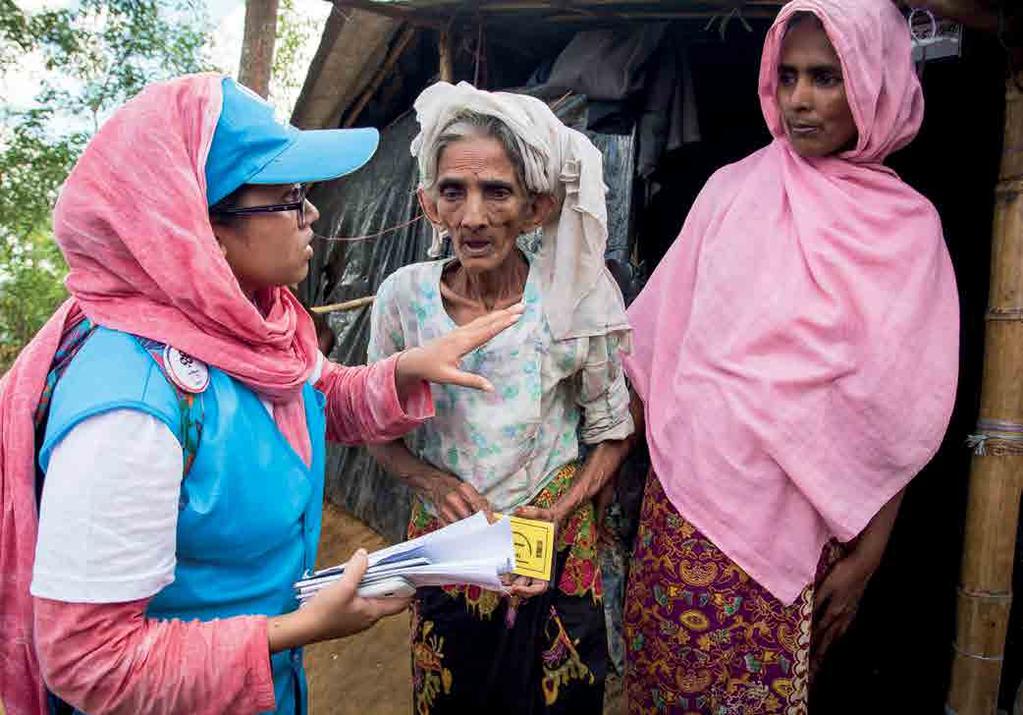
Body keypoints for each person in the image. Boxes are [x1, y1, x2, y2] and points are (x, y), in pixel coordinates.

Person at [0, 74, 522, 715]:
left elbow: (310, 400)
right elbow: (91, 664)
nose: (313, 216)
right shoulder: (128, 413)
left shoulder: (245, 330)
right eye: (289, 197)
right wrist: (299, 629)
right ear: (200, 227)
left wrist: (405, 369)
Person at [563, 2, 960, 713]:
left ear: (874, 84)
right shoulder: (731, 191)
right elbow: (652, 350)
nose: (800, 98)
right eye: (787, 76)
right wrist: (588, 471)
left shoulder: (908, 233)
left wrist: (868, 555)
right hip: (685, 511)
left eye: (826, 77)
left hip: (802, 531)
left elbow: (901, 414)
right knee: (663, 687)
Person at [366, 81, 635, 715]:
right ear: (428, 204)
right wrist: (430, 482)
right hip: (446, 550)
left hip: (555, 547)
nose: (473, 216)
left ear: (536, 209)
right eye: (453, 191)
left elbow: (614, 430)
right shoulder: (402, 301)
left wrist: (564, 509)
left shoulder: (573, 299)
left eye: (497, 192)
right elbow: (377, 429)